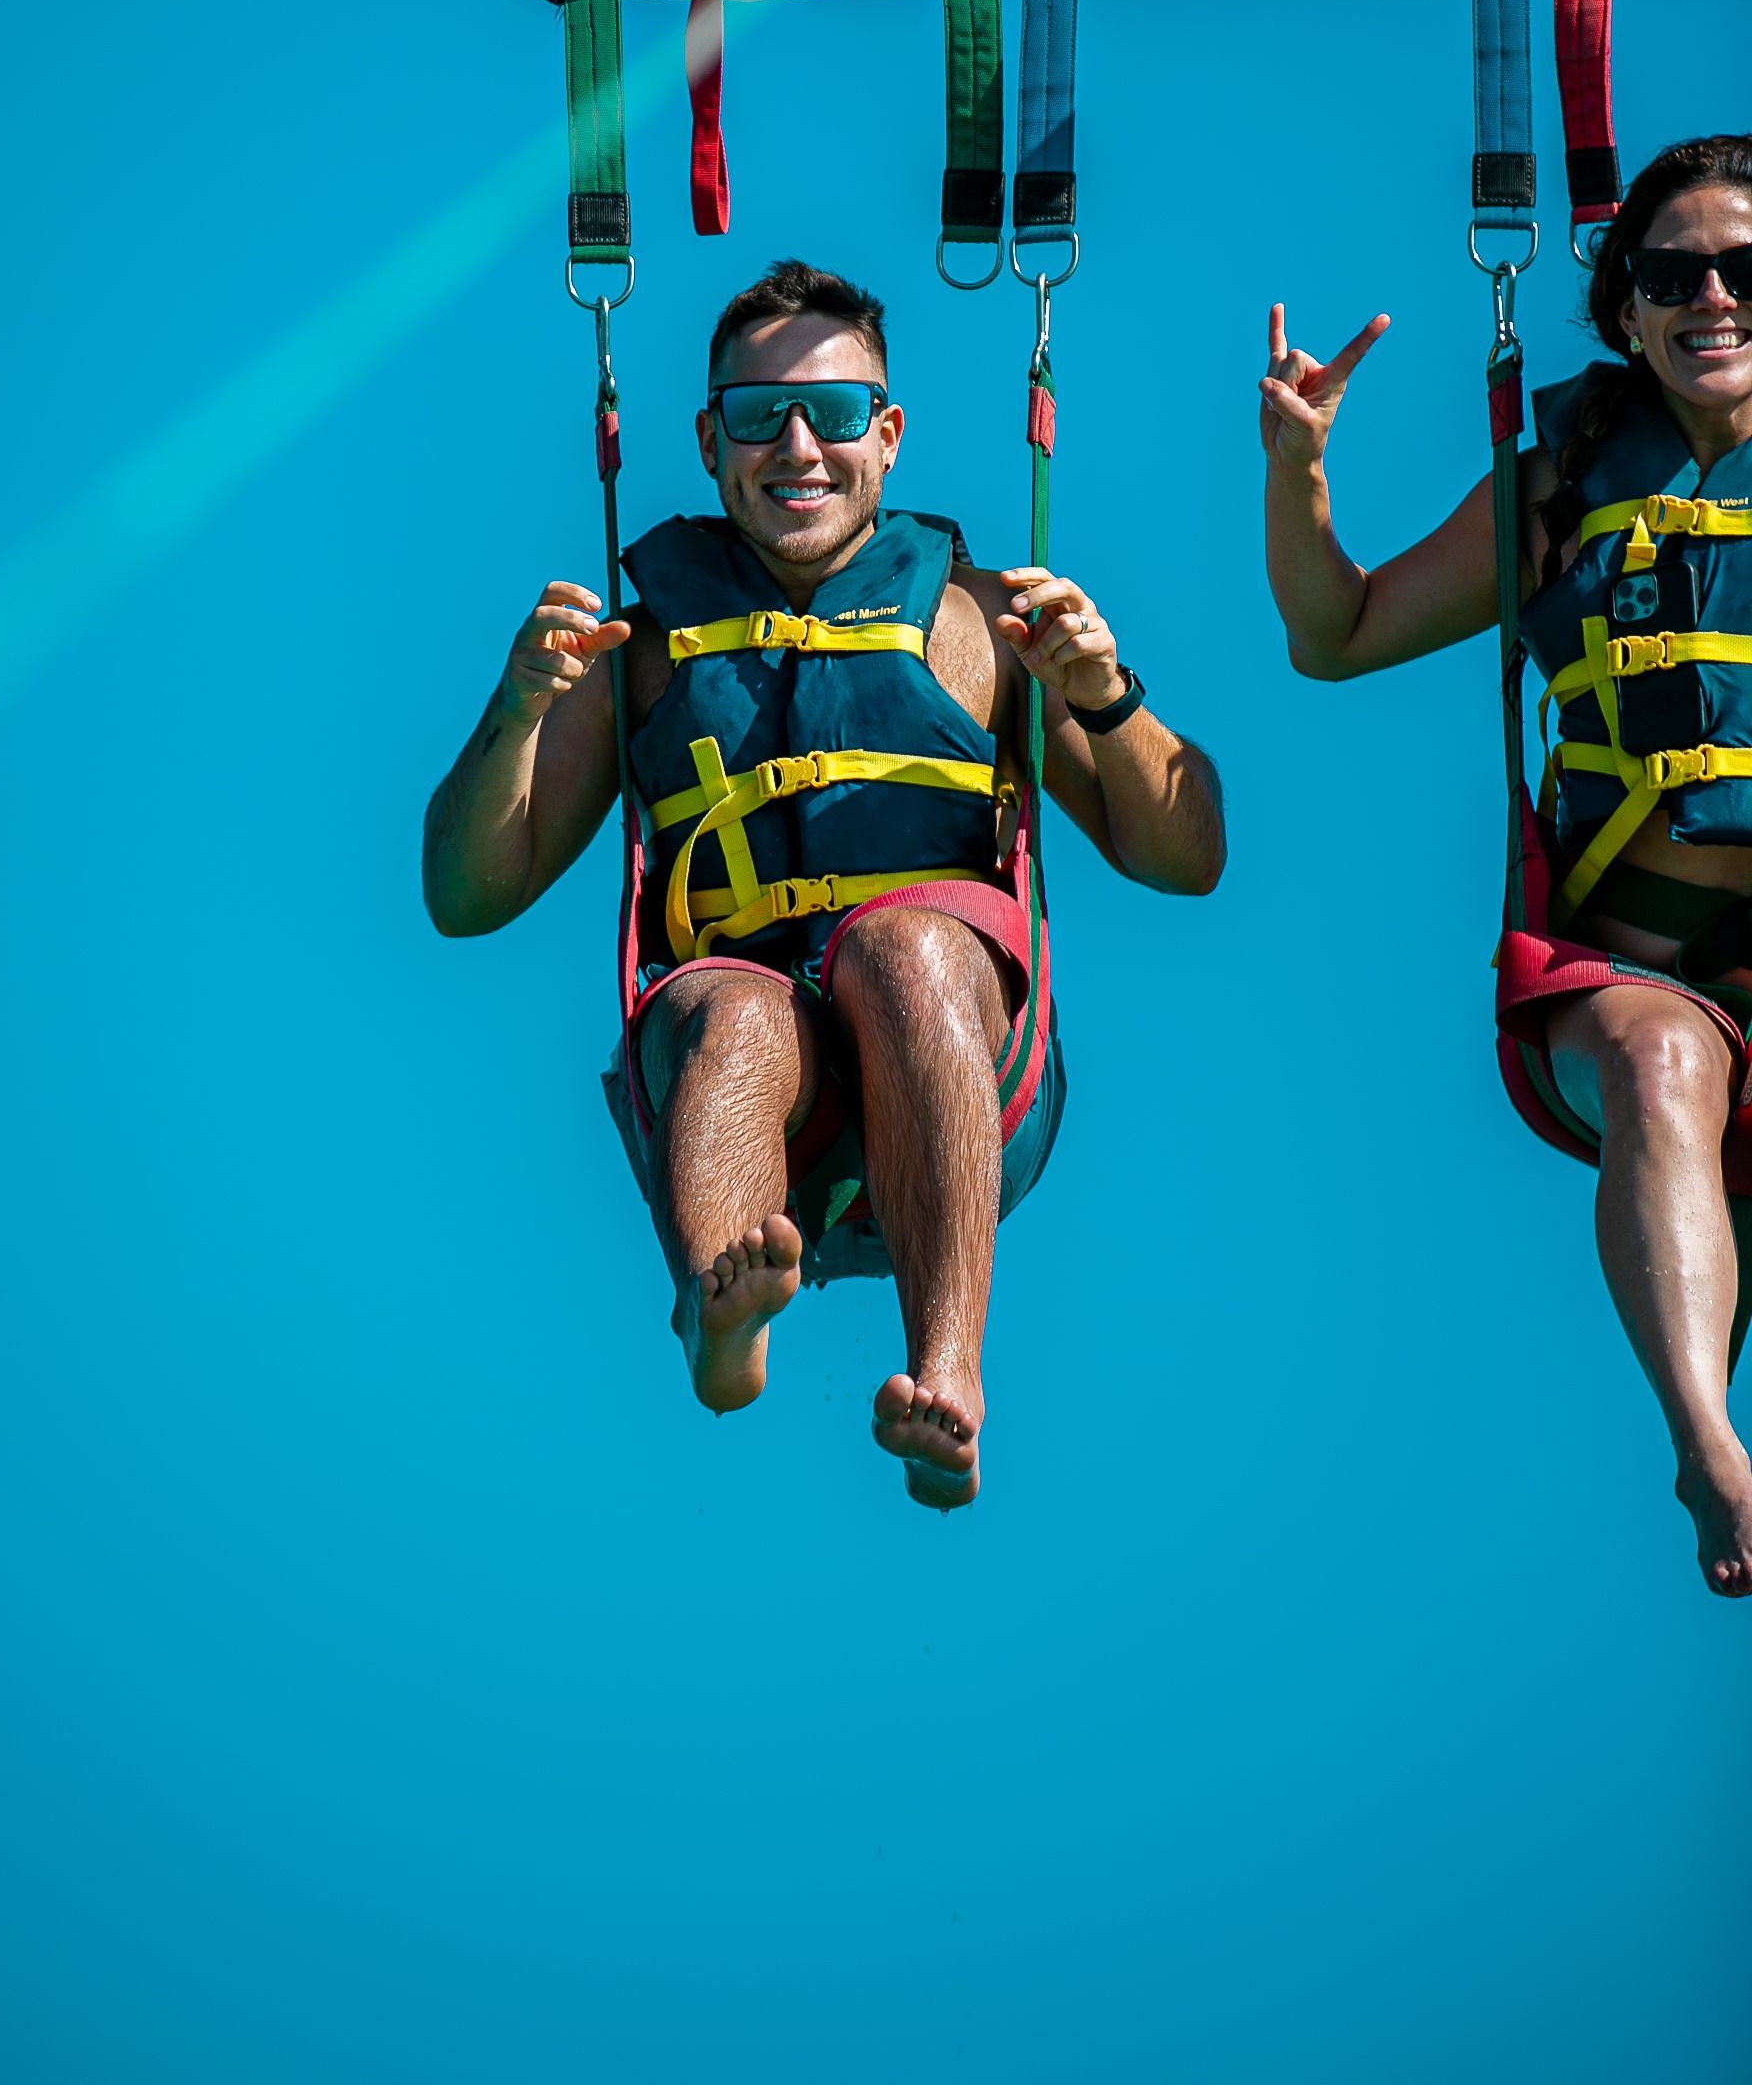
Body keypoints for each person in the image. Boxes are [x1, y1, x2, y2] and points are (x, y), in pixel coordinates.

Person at [425, 260, 1225, 1508]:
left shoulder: (986, 621)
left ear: (888, 437)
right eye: (758, 416)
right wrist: (521, 706)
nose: (797, 444)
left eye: (837, 414)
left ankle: (947, 1375)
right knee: (729, 1009)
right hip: (733, 1071)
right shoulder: (633, 652)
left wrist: (1106, 699)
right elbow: (467, 894)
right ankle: (718, 1305)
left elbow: (1188, 854)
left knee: (906, 948)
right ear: (707, 440)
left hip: (956, 1056)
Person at [1261, 134, 1752, 1598]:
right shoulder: (1566, 484)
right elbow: (1336, 634)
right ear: (1625, 315)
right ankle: (1708, 1442)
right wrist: (1302, 476)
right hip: (1629, 973)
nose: (1712, 296)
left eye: (1744, 269)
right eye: (1673, 276)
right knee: (1668, 1071)